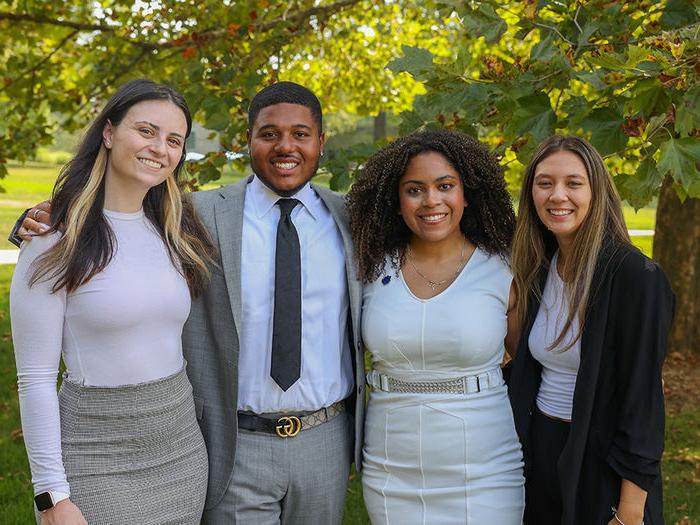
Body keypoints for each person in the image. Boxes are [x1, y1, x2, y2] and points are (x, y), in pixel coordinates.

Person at [15, 81, 365, 524]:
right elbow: (37, 371)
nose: (285, 146)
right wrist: (40, 221)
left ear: (320, 141)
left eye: (301, 133)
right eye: (269, 133)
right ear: (249, 139)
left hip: (317, 439)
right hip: (231, 441)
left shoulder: (351, 218)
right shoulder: (199, 218)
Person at [10, 79, 214, 523]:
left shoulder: (176, 232)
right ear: (108, 133)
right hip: (95, 457)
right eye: (146, 131)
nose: (159, 148)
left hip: (181, 451)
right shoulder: (51, 240)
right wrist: (51, 496)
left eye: (173, 140)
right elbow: (36, 378)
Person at [346, 128, 525, 524]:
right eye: (415, 189)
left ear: (466, 193)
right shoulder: (371, 268)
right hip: (391, 468)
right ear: (395, 200)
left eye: (445, 186)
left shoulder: (503, 267)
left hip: (485, 468)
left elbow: (529, 369)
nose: (432, 201)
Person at [508, 135, 675, 525]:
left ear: (597, 191)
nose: (557, 195)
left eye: (573, 183)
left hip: (602, 465)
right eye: (544, 182)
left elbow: (643, 403)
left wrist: (630, 510)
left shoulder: (636, 278)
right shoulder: (539, 270)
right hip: (541, 455)